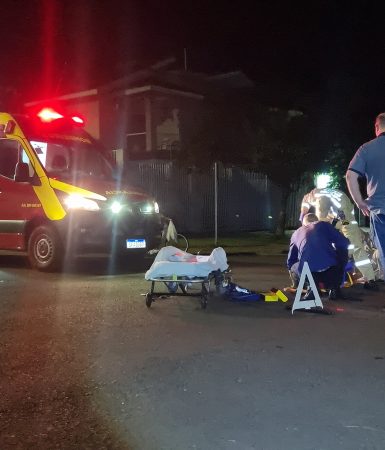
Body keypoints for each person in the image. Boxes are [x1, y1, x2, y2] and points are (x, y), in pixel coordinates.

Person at [300, 175, 378, 289]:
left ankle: (335, 273)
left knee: (348, 244)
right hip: (342, 215)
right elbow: (342, 216)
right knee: (355, 246)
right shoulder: (325, 193)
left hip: (342, 216)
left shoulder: (317, 196)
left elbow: (321, 214)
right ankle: (370, 279)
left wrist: (304, 220)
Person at [346, 112, 385, 281]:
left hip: (380, 210)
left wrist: (360, 202)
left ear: (377, 127)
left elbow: (350, 176)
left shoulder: (367, 149)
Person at [287, 213, 350, 300]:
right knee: (342, 251)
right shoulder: (325, 225)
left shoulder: (296, 233)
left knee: (293, 266)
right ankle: (335, 288)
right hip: (330, 271)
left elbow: (291, 260)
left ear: (303, 223)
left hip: (309, 273)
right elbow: (344, 242)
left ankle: (312, 288)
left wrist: (296, 281)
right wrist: (336, 254)